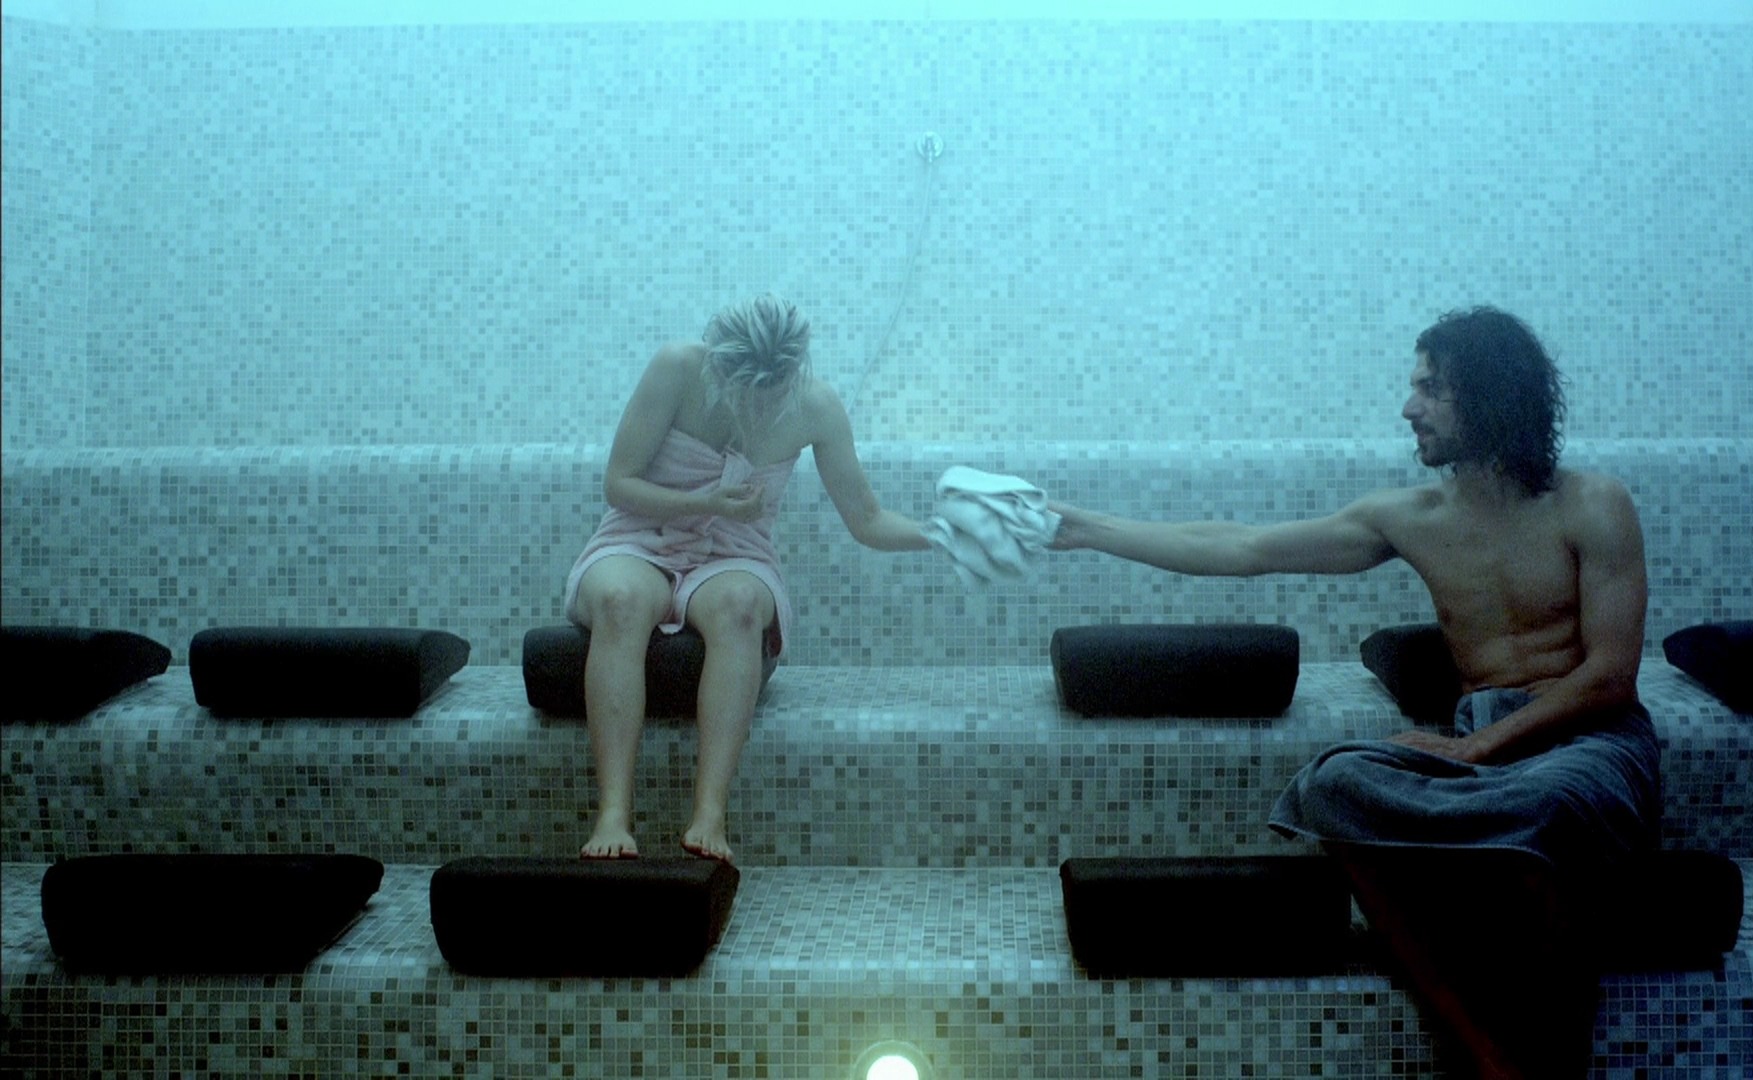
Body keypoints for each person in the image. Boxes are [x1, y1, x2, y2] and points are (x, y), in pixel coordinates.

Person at [1051, 306, 1660, 1078]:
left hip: (1586, 741)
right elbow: (1242, 547)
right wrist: (1090, 528)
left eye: (1431, 389)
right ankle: (1480, 1045)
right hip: (1483, 747)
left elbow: (1609, 678)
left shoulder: (1594, 504)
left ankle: (1529, 1055)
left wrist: (1474, 749)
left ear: (1491, 393)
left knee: (1554, 801)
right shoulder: (1407, 518)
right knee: (1335, 783)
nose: (1409, 408)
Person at [566, 295, 929, 863]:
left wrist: (945, 533)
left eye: (771, 389)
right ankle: (613, 813)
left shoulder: (817, 406)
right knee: (620, 599)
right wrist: (705, 501)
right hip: (639, 537)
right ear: (720, 358)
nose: (755, 401)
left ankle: (709, 814)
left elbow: (868, 519)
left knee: (740, 606)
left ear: (794, 370)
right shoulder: (677, 366)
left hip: (734, 551)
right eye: (742, 385)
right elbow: (619, 484)